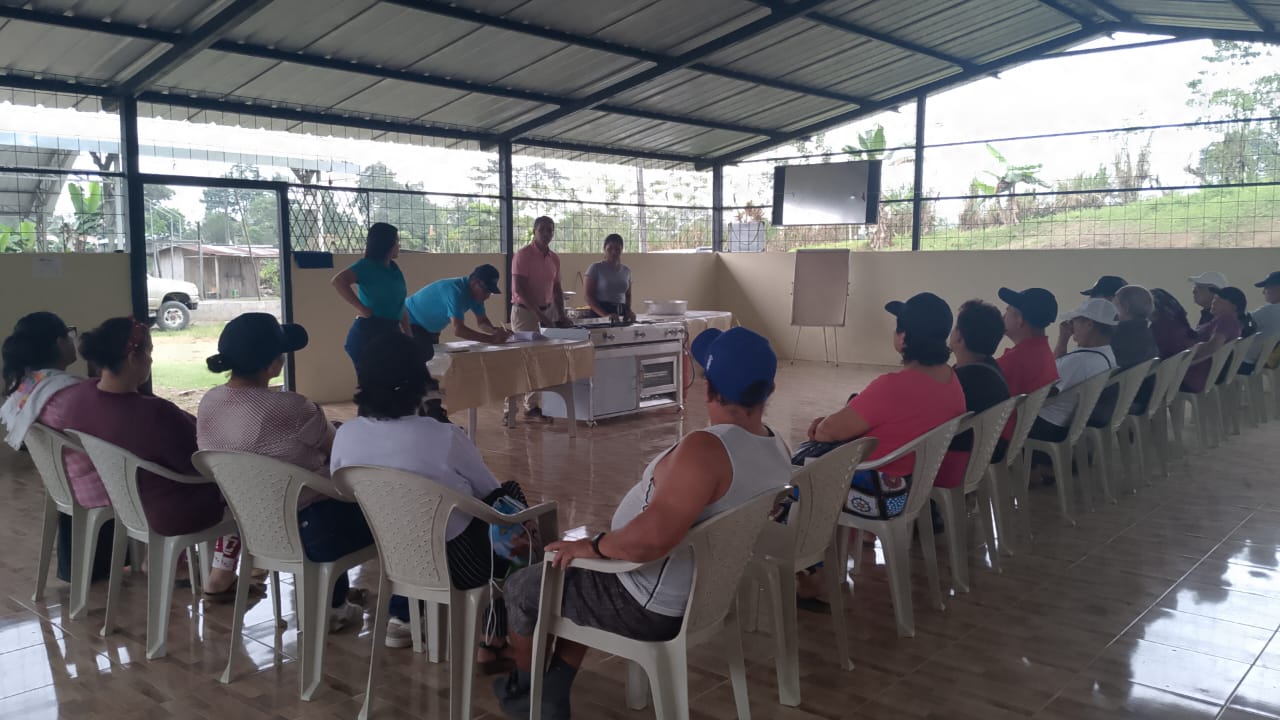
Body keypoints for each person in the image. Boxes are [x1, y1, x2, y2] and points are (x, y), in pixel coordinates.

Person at [493, 327, 791, 719]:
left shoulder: (708, 450)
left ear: (707, 388)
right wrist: (599, 549)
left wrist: (594, 546)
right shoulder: (775, 447)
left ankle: (526, 692)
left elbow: (650, 541)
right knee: (581, 574)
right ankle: (556, 685)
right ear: (770, 391)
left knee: (524, 586)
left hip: (645, 601)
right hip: (704, 591)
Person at [331, 331, 529, 654]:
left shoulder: (346, 436)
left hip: (396, 555)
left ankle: (406, 617)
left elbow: (344, 489)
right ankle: (496, 633)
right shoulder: (445, 437)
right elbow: (492, 495)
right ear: (421, 383)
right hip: (461, 565)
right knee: (511, 497)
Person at [47, 318, 241, 595]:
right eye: (149, 352)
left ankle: (165, 558)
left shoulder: (78, 397)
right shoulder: (155, 414)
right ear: (132, 358)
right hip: (170, 513)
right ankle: (221, 576)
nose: (151, 360)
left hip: (127, 506)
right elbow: (200, 462)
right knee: (242, 494)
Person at [196, 313, 364, 627]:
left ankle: (331, 595)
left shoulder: (209, 402)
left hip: (251, 526)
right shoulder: (294, 407)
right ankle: (341, 608)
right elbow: (340, 453)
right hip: (313, 532)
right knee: (371, 504)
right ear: (273, 366)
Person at [808, 293, 966, 517]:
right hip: (918, 489)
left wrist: (822, 425)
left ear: (903, 337)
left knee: (799, 473)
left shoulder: (893, 387)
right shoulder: (951, 380)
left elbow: (827, 432)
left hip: (881, 495)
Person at [937, 300, 1011, 489]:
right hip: (981, 453)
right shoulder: (990, 369)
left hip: (956, 461)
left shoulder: (963, 381)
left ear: (960, 338)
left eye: (955, 328)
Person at [1028, 299, 1117, 455]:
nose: (1070, 325)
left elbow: (1041, 390)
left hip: (1049, 427)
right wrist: (1064, 339)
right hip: (1070, 424)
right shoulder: (1108, 353)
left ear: (1089, 324)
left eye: (1075, 320)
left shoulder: (1079, 361)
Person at [510, 216, 572, 420]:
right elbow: (519, 288)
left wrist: (561, 314)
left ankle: (532, 406)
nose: (546, 234)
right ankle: (509, 411)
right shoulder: (523, 255)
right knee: (521, 359)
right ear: (534, 232)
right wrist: (538, 314)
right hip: (525, 312)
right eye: (542, 230)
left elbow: (557, 288)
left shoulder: (554, 258)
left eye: (550, 230)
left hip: (548, 311)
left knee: (540, 359)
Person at [331, 222, 409, 371]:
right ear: (386, 244)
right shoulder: (366, 266)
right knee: (374, 379)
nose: (399, 245)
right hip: (370, 331)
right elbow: (338, 281)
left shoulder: (394, 269)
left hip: (391, 330)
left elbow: (399, 304)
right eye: (396, 241)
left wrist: (408, 333)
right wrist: (362, 308)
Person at [404, 264, 511, 361]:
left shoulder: (476, 297)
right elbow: (459, 330)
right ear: (474, 282)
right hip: (409, 321)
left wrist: (495, 331)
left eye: (490, 292)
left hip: (429, 330)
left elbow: (482, 322)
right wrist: (492, 339)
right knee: (419, 364)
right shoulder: (456, 291)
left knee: (428, 363)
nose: (487, 296)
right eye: (486, 291)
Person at [1183, 286, 1249, 393]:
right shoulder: (1224, 320)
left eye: (1219, 301)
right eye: (1214, 299)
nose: (1214, 302)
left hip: (1193, 375)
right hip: (1198, 372)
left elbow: (1213, 346)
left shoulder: (1226, 320)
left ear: (1234, 307)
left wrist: (1184, 361)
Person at [996, 287, 1060, 398]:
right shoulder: (1044, 353)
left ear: (1020, 319)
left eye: (1008, 310)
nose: (1003, 316)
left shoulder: (1013, 362)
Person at [1112, 285, 1159, 413]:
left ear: (1125, 308)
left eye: (1115, 305)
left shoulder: (1120, 335)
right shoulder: (1145, 331)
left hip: (1124, 400)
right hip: (1143, 396)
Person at [584, 234, 634, 322]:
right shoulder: (595, 268)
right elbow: (588, 296)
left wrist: (628, 311)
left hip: (620, 314)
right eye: (610, 249)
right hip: (600, 314)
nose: (613, 252)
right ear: (604, 249)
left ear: (622, 250)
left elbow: (628, 295)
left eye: (617, 249)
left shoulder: (627, 271)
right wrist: (605, 316)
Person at [1241, 271, 1280, 375]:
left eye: (1266, 288)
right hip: (1266, 366)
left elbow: (1242, 323)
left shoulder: (1271, 310)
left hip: (1244, 364)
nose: (1263, 292)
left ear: (1278, 288)